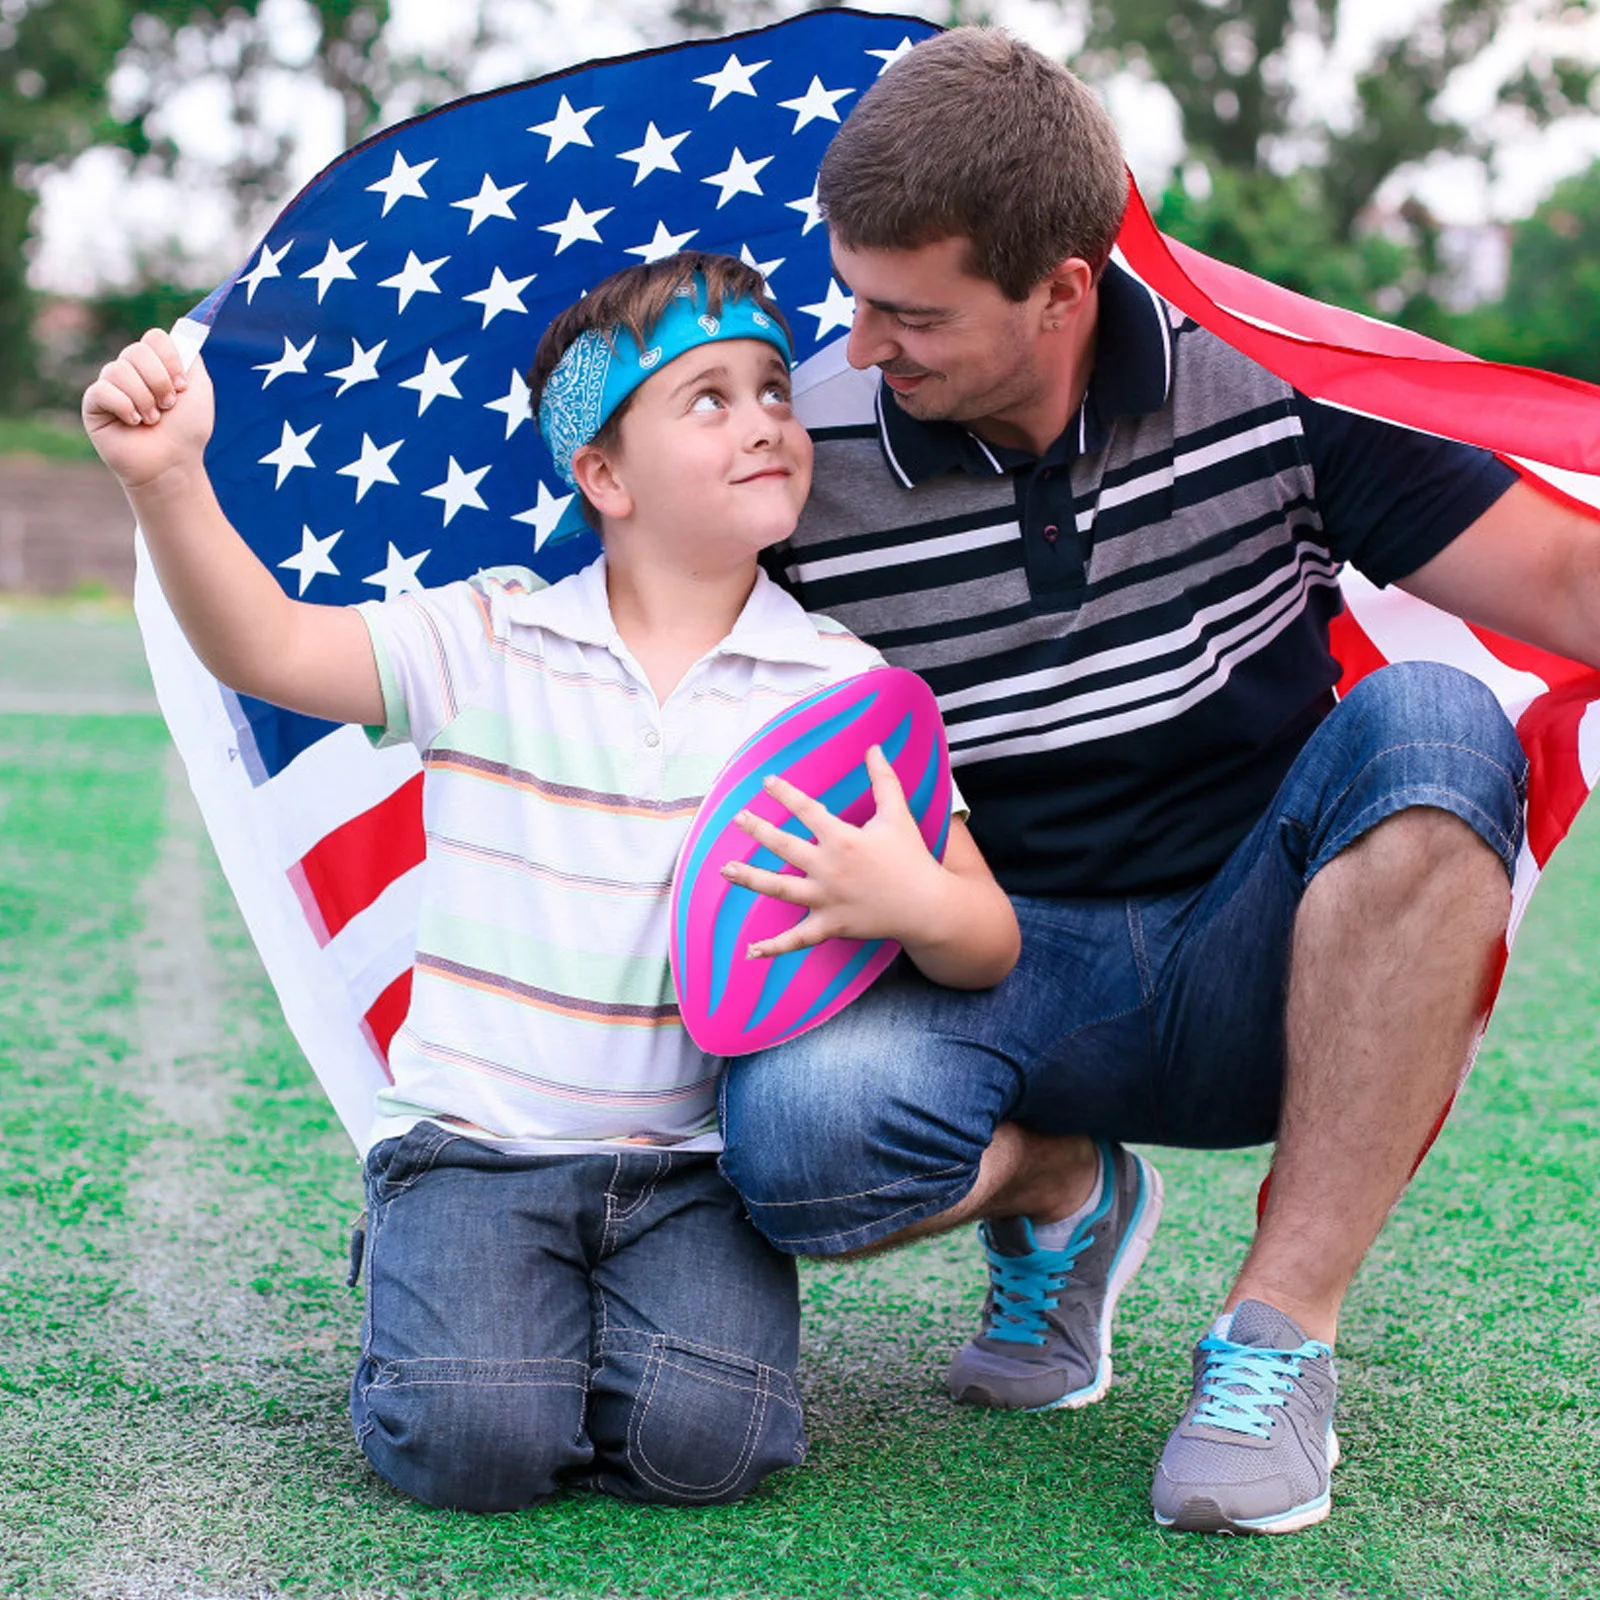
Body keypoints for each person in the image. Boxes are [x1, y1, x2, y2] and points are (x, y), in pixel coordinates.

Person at [717, 28, 1600, 1535]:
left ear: (1065, 287)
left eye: (911, 314)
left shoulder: (1271, 385)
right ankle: (1064, 1187)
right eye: (854, 296)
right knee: (794, 1145)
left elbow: (1571, 585)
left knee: (1443, 725)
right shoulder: (808, 449)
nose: (862, 347)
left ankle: (1277, 1335)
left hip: (1269, 961)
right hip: (995, 960)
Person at [81, 250, 1020, 1513]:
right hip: (478, 1153)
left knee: (713, 1452)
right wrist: (169, 480)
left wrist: (911, 900)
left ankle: (546, 1337)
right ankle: (449, 1299)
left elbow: (987, 938)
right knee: (475, 1447)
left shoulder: (843, 688)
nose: (765, 423)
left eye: (774, 393)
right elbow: (269, 645)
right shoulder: (494, 634)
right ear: (603, 474)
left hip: (695, 1168)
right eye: (709, 399)